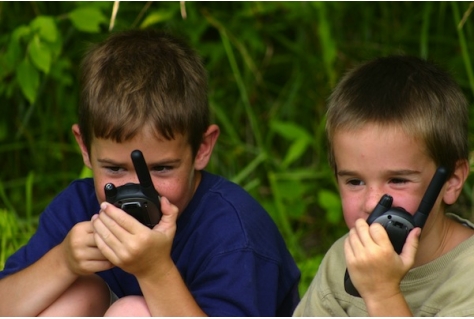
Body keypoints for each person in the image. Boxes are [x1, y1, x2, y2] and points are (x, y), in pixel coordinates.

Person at [0, 29, 300, 316]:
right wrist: (63, 262)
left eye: (161, 168)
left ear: (201, 149)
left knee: (131, 313)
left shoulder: (234, 234)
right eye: (115, 169)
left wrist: (154, 270)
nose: (137, 189)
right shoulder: (77, 209)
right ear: (84, 148)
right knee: (79, 292)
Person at [293, 55, 474, 316]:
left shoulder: (466, 277)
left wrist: (382, 293)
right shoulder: (343, 259)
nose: (371, 203)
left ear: (451, 181)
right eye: (355, 182)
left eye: (397, 180)